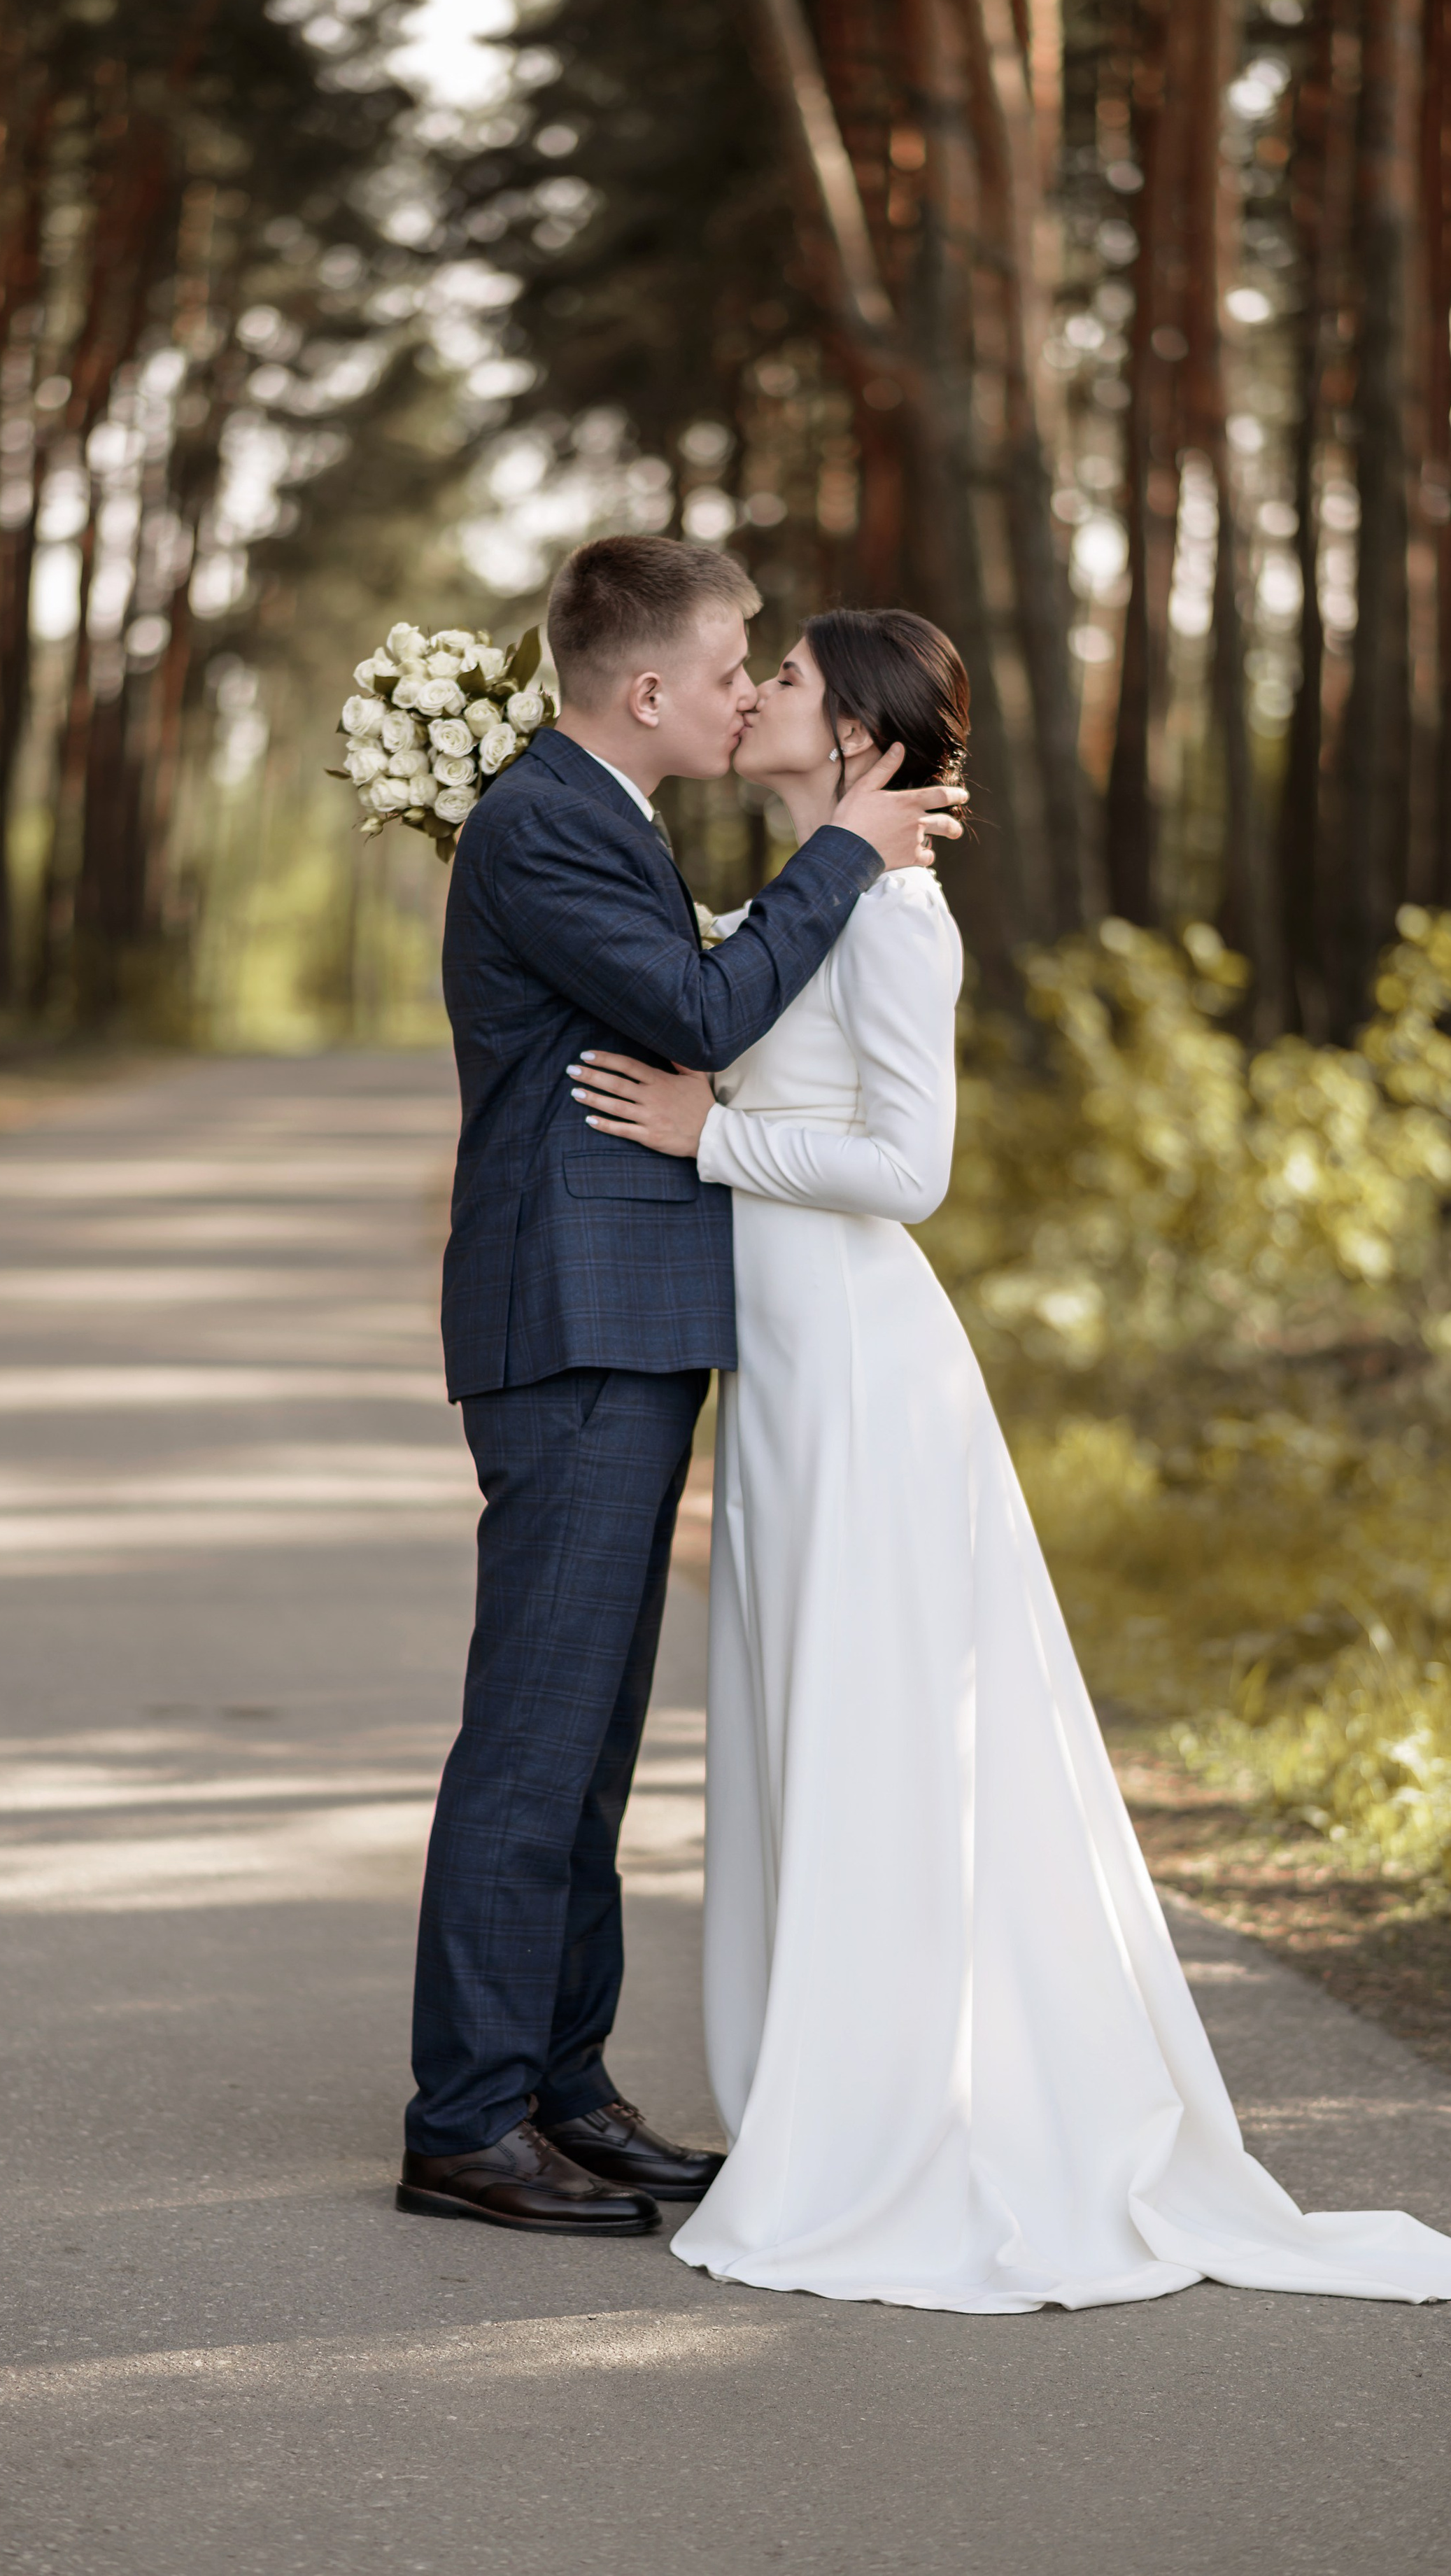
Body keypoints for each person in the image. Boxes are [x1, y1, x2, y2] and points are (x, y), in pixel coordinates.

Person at [567, 607, 1451, 2311]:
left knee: (867, 1724)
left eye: (781, 678)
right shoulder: (812, 898)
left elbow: (907, 1167)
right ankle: (829, 2095)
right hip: (782, 1359)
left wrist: (714, 1136)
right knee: (808, 1722)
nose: (754, 688)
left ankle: (901, 2128)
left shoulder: (894, 916)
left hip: (856, 1358)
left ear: (853, 736)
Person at [398, 543, 966, 2236]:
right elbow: (704, 1006)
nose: (742, 692)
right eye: (730, 667)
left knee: (584, 1747)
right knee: (533, 1742)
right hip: (572, 1327)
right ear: (644, 692)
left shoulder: (609, 818)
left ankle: (560, 2090)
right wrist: (848, 857)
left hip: (627, 1326)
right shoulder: (547, 823)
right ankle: (467, 2118)